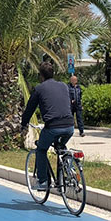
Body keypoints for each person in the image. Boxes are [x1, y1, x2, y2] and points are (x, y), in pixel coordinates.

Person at [20, 62, 74, 191]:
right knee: (60, 147)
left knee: (41, 149)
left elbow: (30, 109)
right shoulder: (64, 86)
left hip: (52, 127)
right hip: (70, 126)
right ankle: (68, 170)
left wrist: (23, 124)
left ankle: (43, 181)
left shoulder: (39, 89)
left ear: (41, 75)